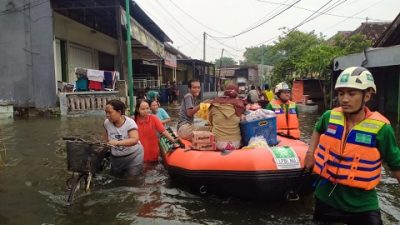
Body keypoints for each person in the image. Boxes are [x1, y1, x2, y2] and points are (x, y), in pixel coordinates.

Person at [304, 66, 400, 225]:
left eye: (352, 93)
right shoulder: (329, 116)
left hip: (362, 204)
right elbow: (317, 129)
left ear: (367, 95)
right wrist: (310, 154)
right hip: (327, 197)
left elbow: (396, 164)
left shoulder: (382, 129)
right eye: (341, 93)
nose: (345, 99)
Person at [103, 99, 144, 177]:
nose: (107, 115)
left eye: (110, 112)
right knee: (116, 177)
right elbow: (106, 137)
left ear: (119, 112)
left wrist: (117, 143)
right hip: (116, 157)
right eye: (106, 112)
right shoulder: (107, 123)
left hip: (134, 156)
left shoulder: (130, 123)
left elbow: (134, 139)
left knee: (132, 178)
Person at [209, 84, 245, 150]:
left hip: (218, 143)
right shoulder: (239, 107)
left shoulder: (214, 105)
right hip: (236, 143)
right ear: (236, 95)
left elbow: (210, 122)